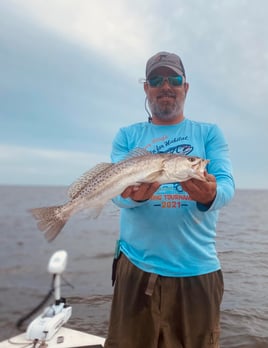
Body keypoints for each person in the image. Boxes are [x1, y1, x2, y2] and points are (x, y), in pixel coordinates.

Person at [104, 51, 235, 348]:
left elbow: (226, 184)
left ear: (185, 87)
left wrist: (211, 195)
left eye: (174, 79)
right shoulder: (127, 135)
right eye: (156, 79)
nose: (166, 85)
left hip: (197, 270)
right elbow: (117, 194)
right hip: (136, 267)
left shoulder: (209, 133)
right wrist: (133, 198)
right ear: (146, 88)